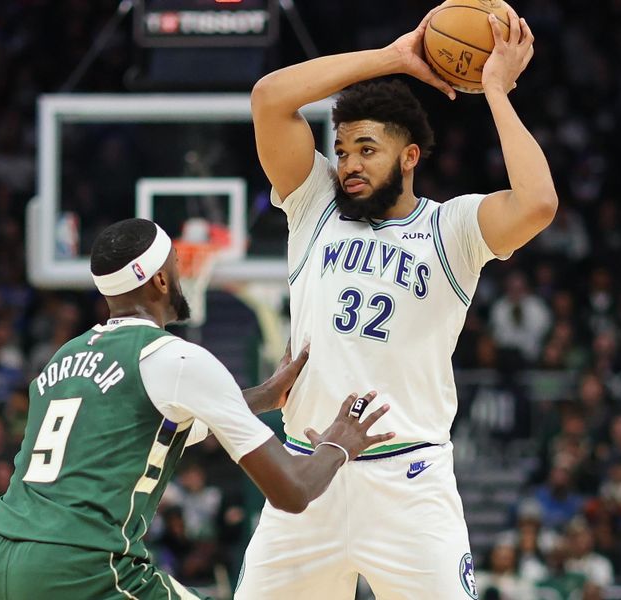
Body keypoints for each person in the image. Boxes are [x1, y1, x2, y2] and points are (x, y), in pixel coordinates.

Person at [237, 6, 556, 599]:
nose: (350, 164)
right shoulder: (315, 204)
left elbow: (537, 203)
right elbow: (269, 98)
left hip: (409, 482)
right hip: (308, 474)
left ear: (409, 157)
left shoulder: (452, 229)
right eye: (342, 149)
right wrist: (396, 57)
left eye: (367, 149)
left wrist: (493, 90)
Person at [0, 218, 393, 599]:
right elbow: (293, 491)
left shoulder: (64, 358)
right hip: (79, 568)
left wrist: (263, 395)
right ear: (161, 281)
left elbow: (155, 429)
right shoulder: (176, 357)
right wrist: (339, 445)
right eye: (174, 261)